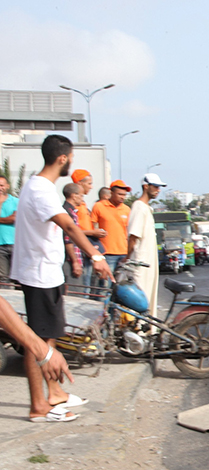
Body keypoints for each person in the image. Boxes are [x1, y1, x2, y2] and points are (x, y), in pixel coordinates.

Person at [10, 134, 112, 422]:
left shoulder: (38, 186)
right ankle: (39, 406)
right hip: (39, 274)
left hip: (44, 272)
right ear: (63, 158)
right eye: (72, 158)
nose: (72, 163)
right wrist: (96, 256)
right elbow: (68, 224)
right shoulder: (41, 189)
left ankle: (54, 393)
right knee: (38, 342)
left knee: (48, 338)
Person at [126, 173, 167, 317]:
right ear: (146, 186)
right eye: (155, 186)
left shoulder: (146, 208)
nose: (158, 190)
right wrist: (127, 258)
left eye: (159, 187)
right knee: (139, 299)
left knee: (148, 297)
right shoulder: (139, 207)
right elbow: (133, 237)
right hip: (139, 263)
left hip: (148, 263)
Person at [70, 170, 106, 291]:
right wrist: (93, 233)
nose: (91, 187)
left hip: (88, 248)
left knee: (90, 286)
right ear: (80, 184)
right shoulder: (74, 206)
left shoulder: (82, 204)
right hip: (81, 251)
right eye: (89, 183)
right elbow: (71, 231)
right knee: (84, 287)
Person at [91, 180, 131, 286]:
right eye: (119, 194)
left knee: (120, 288)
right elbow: (93, 227)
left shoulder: (126, 209)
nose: (122, 197)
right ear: (111, 193)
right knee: (105, 288)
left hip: (123, 254)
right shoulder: (99, 206)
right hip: (106, 253)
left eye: (124, 195)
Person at [62, 183, 84, 287]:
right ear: (74, 196)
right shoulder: (67, 213)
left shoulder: (71, 212)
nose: (82, 199)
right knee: (74, 293)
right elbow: (68, 239)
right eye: (81, 195)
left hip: (72, 259)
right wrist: (75, 262)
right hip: (69, 261)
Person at [0, 175, 19, 283]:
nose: (0, 188)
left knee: (18, 278)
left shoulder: (15, 201)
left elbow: (14, 218)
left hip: (15, 244)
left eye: (2, 185)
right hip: (0, 246)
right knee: (2, 278)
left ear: (7, 186)